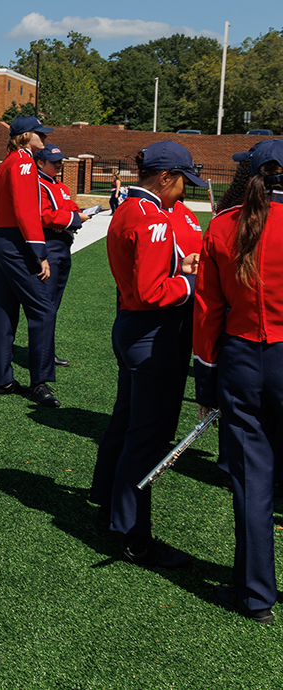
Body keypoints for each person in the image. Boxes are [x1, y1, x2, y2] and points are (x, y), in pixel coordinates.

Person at [88, 141, 205, 567]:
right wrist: (191, 283)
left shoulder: (130, 209)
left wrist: (182, 269)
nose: (184, 193)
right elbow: (154, 290)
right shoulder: (151, 216)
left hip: (133, 326)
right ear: (165, 177)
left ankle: (106, 502)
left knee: (126, 421)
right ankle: (133, 531)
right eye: (182, 183)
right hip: (152, 332)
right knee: (148, 435)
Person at [193, 140, 283, 624]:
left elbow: (207, 312)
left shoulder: (223, 225)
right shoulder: (227, 224)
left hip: (240, 359)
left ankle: (255, 595)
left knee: (252, 483)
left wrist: (204, 384)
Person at [0, 116, 59, 407]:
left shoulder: (10, 160)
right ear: (26, 136)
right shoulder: (23, 160)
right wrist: (39, 253)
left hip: (2, 240)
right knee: (42, 309)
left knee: (5, 310)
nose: (44, 137)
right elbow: (26, 207)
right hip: (17, 241)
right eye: (39, 133)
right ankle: (39, 382)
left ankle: (1, 378)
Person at [35, 144, 90, 368]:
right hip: (50, 244)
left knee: (53, 303)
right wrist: (75, 218)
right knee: (46, 304)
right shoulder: (39, 184)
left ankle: (46, 351)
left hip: (63, 244)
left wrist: (76, 215)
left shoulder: (59, 184)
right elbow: (46, 216)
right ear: (40, 162)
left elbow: (70, 206)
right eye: (53, 161)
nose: (59, 164)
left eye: (60, 161)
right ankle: (42, 355)